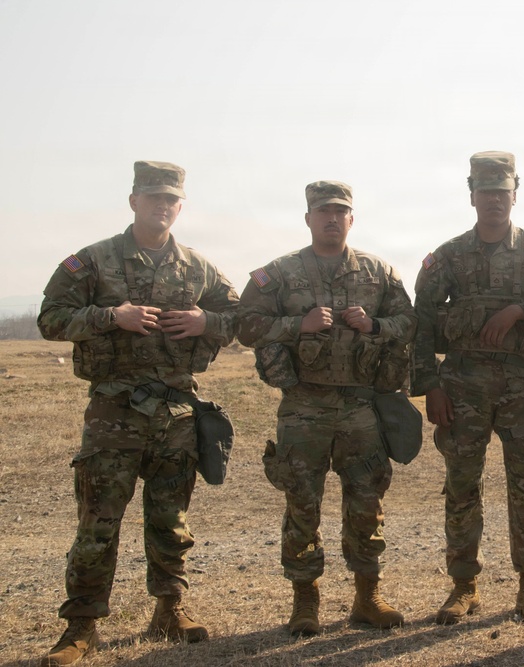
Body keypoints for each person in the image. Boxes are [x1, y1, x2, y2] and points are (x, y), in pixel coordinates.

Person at [37, 161, 240, 666]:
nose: (163, 206)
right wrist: (111, 316)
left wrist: (205, 320)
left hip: (176, 412)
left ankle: (169, 610)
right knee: (98, 521)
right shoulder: (95, 261)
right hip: (115, 413)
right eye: (153, 198)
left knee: (171, 520)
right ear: (133, 201)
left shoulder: (198, 267)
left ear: (180, 205)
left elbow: (242, 317)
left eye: (171, 199)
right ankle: (81, 628)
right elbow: (50, 320)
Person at [237, 181, 416, 633]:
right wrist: (299, 324)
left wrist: (374, 324)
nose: (332, 218)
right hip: (304, 405)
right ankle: (305, 602)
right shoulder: (278, 274)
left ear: (352, 219)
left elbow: (410, 323)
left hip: (361, 406)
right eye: (323, 211)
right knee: (302, 501)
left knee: (367, 501)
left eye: (340, 211)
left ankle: (367, 597)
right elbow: (246, 325)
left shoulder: (379, 272)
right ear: (309, 218)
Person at [410, 151, 524, 624]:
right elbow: (420, 322)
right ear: (471, 195)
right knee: (462, 485)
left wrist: (520, 311)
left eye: (501, 192)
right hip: (462, 384)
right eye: (485, 192)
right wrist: (429, 386)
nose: (493, 200)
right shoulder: (447, 255)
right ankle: (463, 586)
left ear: (514, 194)